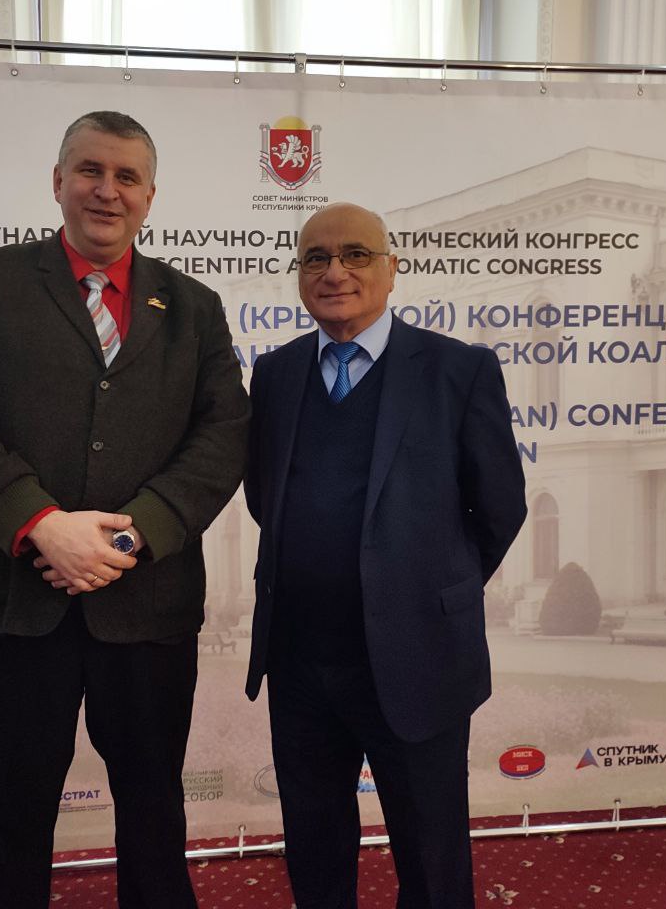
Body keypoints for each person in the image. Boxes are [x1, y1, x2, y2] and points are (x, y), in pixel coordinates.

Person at [0, 110, 249, 909]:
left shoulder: (195, 306)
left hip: (148, 605)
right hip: (13, 605)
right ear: (58, 181)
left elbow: (224, 434)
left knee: (154, 814)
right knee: (8, 819)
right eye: (90, 170)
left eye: (127, 176)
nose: (108, 190)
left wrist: (134, 537)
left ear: (150, 196)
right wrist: (41, 525)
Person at [244, 203, 527, 908]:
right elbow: (263, 496)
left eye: (356, 254)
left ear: (392, 269)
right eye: (316, 257)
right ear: (299, 275)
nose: (334, 271)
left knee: (431, 857)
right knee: (314, 847)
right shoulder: (275, 374)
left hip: (417, 655)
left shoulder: (458, 369)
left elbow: (499, 507)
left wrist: (432, 588)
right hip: (300, 661)